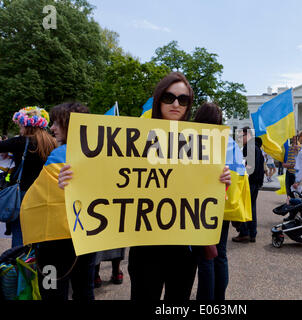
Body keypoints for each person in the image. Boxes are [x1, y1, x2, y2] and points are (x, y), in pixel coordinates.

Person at [58, 72, 231, 301]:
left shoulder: (199, 142)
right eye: (169, 97)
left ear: (189, 104)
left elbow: (206, 197)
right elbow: (108, 179)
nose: (176, 104)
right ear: (159, 99)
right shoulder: (135, 137)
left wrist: (221, 183)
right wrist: (73, 181)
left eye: (183, 99)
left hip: (184, 250)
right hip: (147, 248)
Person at [34, 102, 97, 300]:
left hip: (52, 241)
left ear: (70, 126)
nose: (51, 128)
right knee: (84, 288)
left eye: (56, 123)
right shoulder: (98, 155)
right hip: (87, 236)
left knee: (50, 288)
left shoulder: (58, 155)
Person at [0, 106, 56, 247]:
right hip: (45, 193)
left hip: (23, 192)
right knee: (40, 232)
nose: (20, 129)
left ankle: (20, 265)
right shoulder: (52, 142)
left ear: (26, 126)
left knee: (20, 231)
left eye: (20, 126)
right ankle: (37, 264)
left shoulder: (20, 142)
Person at [193, 102, 230, 301]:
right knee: (219, 255)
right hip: (221, 204)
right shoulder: (225, 141)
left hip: (200, 206)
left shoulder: (194, 140)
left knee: (206, 259)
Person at [232, 126, 264, 243]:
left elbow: (247, 167)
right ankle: (252, 233)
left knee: (244, 207)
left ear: (248, 135)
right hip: (256, 182)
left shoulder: (249, 147)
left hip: (249, 182)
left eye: (242, 136)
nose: (240, 138)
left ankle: (245, 232)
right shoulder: (255, 147)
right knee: (251, 208)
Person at [282, 136, 299, 201]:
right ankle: (290, 205)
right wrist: (288, 165)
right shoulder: (288, 147)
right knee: (288, 191)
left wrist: (290, 165)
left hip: (296, 173)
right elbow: (285, 162)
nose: (293, 137)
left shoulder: (300, 147)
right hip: (289, 172)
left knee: (296, 192)